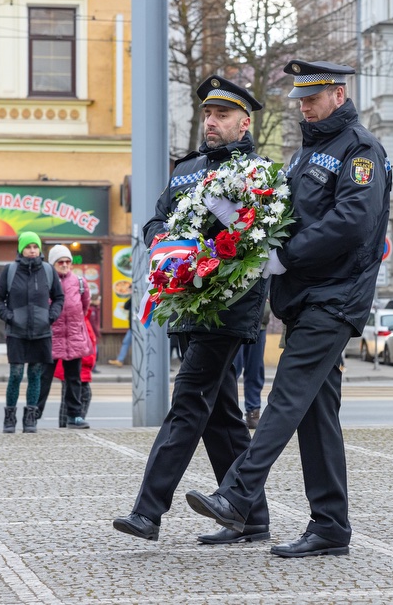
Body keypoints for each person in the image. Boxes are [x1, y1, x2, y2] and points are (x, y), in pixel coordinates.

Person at [184, 59, 392, 558]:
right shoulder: (304, 156)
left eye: (312, 98)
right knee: (317, 415)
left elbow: (351, 222)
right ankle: (330, 526)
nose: (304, 106)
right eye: (299, 99)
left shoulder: (360, 150)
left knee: (285, 399)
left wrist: (286, 255)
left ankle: (237, 493)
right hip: (303, 299)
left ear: (338, 96)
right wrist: (238, 222)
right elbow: (284, 216)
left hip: (335, 298)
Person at [112, 74, 271, 544]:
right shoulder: (186, 169)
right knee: (220, 416)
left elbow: (253, 241)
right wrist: (164, 243)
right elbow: (157, 219)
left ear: (244, 123)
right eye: (207, 114)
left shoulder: (257, 173)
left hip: (227, 308)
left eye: (222, 115)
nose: (212, 122)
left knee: (186, 405)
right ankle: (251, 518)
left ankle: (148, 511)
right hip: (184, 304)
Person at [0, 232, 64, 434]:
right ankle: (10, 418)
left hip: (41, 332)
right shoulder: (10, 270)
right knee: (15, 374)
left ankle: (31, 418)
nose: (32, 250)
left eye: (35, 246)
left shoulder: (48, 270)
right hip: (16, 332)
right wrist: (9, 316)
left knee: (35, 375)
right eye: (28, 247)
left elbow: (59, 297)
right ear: (21, 249)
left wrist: (50, 317)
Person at [35, 245, 92, 429]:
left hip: (73, 337)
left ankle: (74, 415)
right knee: (43, 378)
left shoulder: (80, 283)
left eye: (68, 261)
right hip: (51, 337)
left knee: (74, 378)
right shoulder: (44, 281)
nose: (65, 264)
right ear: (52, 264)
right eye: (61, 262)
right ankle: (34, 414)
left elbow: (84, 307)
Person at [232, 299, 270, 429]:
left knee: (255, 369)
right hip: (235, 321)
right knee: (232, 369)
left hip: (259, 323)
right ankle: (231, 412)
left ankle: (253, 413)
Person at [109, 298, 133, 367]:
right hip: (132, 327)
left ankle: (120, 360)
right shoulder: (133, 299)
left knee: (126, 343)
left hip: (136, 328)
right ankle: (120, 360)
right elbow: (126, 306)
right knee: (126, 342)